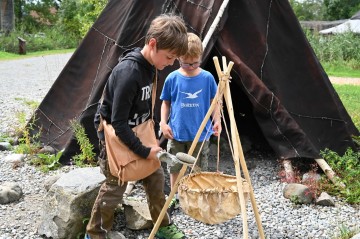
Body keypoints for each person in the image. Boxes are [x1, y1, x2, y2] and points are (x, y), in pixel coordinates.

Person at [85, 14, 188, 239]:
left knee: (156, 179)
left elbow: (144, 107)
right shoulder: (128, 73)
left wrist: (152, 134)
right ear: (153, 44)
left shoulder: (151, 66)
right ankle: (95, 233)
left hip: (139, 132)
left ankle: (162, 225)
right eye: (169, 57)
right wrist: (143, 150)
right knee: (115, 186)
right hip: (116, 137)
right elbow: (118, 122)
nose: (170, 63)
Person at [159, 32, 221, 214]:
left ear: (200, 57)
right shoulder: (172, 78)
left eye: (195, 62)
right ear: (178, 57)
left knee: (199, 169)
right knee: (175, 167)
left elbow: (214, 102)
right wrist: (163, 123)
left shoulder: (207, 78)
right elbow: (166, 103)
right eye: (186, 63)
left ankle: (196, 198)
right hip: (177, 133)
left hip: (200, 135)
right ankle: (175, 197)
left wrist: (217, 121)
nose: (191, 66)